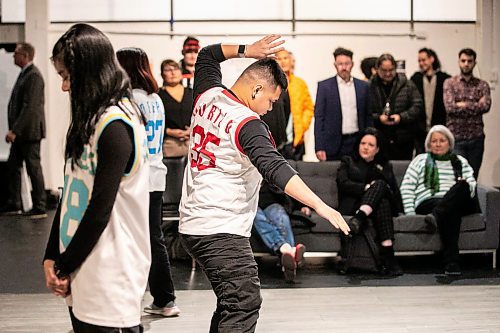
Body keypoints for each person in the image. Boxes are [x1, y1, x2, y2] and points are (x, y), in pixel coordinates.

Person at [179, 35, 350, 332]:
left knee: (231, 302)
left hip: (194, 222)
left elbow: (208, 55)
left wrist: (248, 51)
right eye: (271, 100)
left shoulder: (208, 94)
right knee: (244, 303)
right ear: (257, 88)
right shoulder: (248, 124)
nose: (270, 109)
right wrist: (321, 205)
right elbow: (276, 169)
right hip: (220, 228)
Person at [42, 23, 150, 332]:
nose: (64, 87)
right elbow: (70, 194)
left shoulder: (116, 124)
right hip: (82, 266)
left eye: (67, 76)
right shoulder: (90, 121)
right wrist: (52, 256)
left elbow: (100, 208)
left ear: (90, 72)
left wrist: (64, 264)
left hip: (110, 271)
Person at [116, 47, 180, 318]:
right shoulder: (156, 98)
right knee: (154, 239)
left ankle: (132, 300)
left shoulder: (130, 100)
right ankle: (165, 299)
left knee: (132, 241)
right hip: (156, 174)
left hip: (137, 178)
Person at [400, 125, 477, 276]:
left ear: (449, 143)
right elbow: (407, 187)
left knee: (462, 186)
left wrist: (462, 189)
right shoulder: (420, 160)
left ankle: (436, 215)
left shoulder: (460, 161)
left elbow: (472, 185)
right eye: (434, 141)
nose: (438, 144)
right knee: (451, 210)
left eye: (442, 140)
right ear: (428, 145)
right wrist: (410, 213)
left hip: (456, 200)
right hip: (429, 201)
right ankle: (452, 262)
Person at [336, 127, 403, 275]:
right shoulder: (348, 161)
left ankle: (359, 219)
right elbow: (343, 183)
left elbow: (392, 189)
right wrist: (366, 187)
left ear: (377, 149)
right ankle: (389, 256)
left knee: (380, 187)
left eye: (371, 145)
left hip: (372, 207)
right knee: (381, 199)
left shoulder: (384, 166)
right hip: (355, 205)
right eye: (363, 143)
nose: (366, 147)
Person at [1, 42, 47, 218]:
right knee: (13, 167)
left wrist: (15, 130)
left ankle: (40, 206)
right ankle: (15, 203)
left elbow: (30, 107)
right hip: (22, 134)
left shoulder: (33, 76)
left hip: (29, 133)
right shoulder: (25, 74)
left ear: (25, 56)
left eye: (17, 53)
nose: (14, 56)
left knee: (33, 168)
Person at [314, 47, 372, 161]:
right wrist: (319, 146)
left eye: (347, 63)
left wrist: (370, 141)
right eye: (340, 64)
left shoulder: (363, 87)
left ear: (352, 64)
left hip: (357, 141)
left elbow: (368, 116)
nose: (344, 67)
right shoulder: (324, 87)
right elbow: (319, 118)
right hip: (333, 143)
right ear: (335, 65)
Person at [443, 48, 491, 178]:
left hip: (476, 137)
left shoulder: (482, 85)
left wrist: (462, 104)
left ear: (474, 63)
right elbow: (450, 108)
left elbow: (486, 106)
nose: (466, 64)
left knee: (473, 176)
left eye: (469, 61)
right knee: (458, 176)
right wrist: (476, 104)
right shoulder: (450, 83)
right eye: (463, 60)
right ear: (458, 62)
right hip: (456, 137)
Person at [368, 53, 423, 160]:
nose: (388, 73)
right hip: (379, 137)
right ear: (377, 69)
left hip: (403, 137)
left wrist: (401, 117)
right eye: (384, 70)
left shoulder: (407, 84)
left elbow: (417, 105)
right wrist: (378, 118)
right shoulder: (369, 86)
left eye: (391, 70)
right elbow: (365, 111)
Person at [253, 181, 307, 282]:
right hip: (251, 205)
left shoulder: (269, 171)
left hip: (272, 203)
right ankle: (290, 252)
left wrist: (302, 206)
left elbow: (290, 186)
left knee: (279, 214)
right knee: (254, 214)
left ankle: (285, 250)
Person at [274, 49, 314, 160]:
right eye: (279, 59)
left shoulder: (299, 83)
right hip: (276, 141)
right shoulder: (271, 84)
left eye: (285, 58)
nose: (283, 62)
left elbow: (309, 108)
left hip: (296, 141)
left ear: (292, 61)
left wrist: (302, 126)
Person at [410, 48, 451, 154]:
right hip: (420, 130)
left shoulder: (445, 79)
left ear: (431, 59)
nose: (421, 63)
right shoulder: (415, 79)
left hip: (439, 127)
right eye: (419, 61)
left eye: (423, 60)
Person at [158, 59, 193, 158]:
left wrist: (192, 129)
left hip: (192, 142)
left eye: (176, 69)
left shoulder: (192, 93)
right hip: (169, 144)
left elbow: (202, 115)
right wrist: (169, 131)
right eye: (168, 70)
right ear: (162, 74)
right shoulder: (158, 95)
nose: (173, 72)